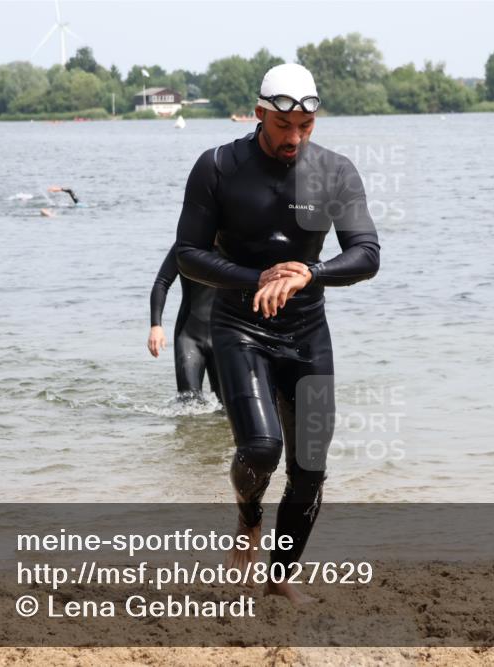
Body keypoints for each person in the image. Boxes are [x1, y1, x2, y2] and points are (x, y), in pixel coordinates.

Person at [175, 63, 380, 604]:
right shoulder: (218, 166)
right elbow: (188, 254)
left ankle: (280, 576)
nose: (294, 138)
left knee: (311, 466)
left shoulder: (335, 172)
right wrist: (256, 277)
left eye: (306, 127)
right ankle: (248, 519)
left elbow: (366, 253)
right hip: (240, 325)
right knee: (262, 449)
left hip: (308, 327)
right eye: (284, 127)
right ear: (261, 114)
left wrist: (311, 272)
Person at [148, 242, 220, 402]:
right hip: (189, 336)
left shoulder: (234, 243)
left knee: (227, 406)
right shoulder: (187, 244)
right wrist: (156, 326)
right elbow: (162, 283)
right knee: (188, 403)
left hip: (224, 336)